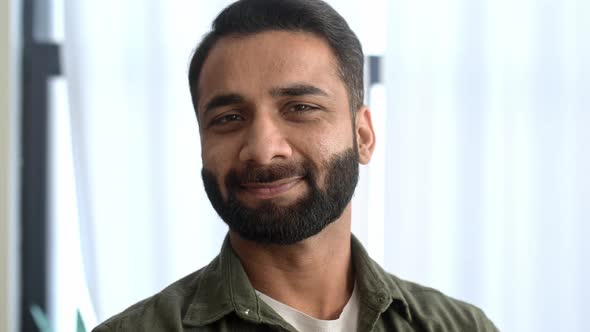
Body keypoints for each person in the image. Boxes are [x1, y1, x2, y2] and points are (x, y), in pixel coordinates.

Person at [94, 0, 498, 331]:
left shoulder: (460, 327)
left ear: (363, 136)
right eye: (229, 118)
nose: (263, 149)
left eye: (301, 108)